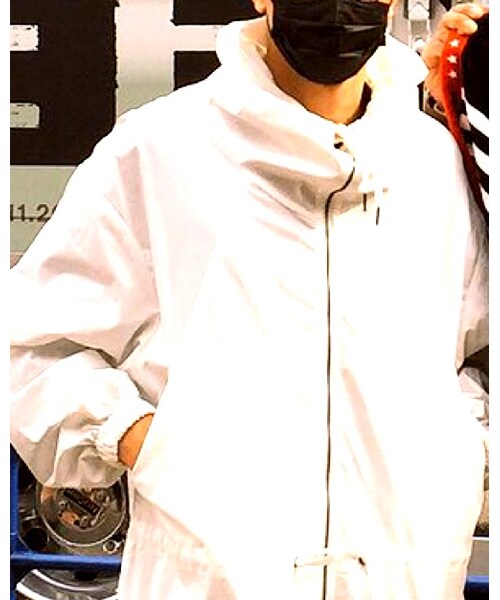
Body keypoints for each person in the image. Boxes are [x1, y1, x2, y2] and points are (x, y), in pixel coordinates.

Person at [10, 1, 488, 599]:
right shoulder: (160, 149)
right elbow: (34, 346)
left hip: (405, 577)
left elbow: (479, 353)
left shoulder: (435, 163)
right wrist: (149, 441)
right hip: (211, 580)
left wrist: (460, 458)